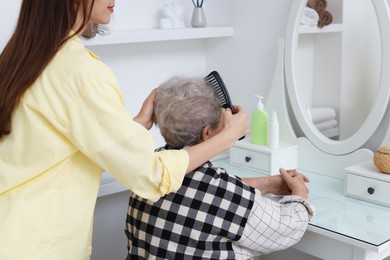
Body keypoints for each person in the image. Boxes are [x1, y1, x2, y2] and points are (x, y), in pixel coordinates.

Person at [0, 1, 249, 259]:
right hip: (39, 246)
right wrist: (227, 136)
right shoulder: (82, 73)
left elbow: (59, 142)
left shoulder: (21, 58)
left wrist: (138, 124)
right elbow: (152, 175)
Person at [126, 76, 315, 259]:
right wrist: (299, 191)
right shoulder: (220, 193)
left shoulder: (149, 167)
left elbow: (197, 188)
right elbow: (288, 227)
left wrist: (265, 183)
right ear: (207, 133)